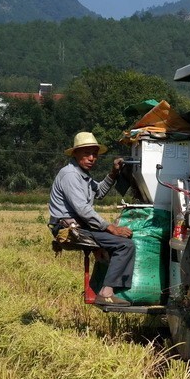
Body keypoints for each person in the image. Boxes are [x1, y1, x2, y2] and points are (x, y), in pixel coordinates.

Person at [49, 131, 135, 306]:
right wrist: (110, 227)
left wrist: (113, 172)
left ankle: (100, 285)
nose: (91, 158)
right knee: (125, 245)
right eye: (86, 153)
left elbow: (100, 191)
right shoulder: (70, 175)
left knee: (117, 242)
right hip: (70, 228)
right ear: (75, 153)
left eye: (94, 154)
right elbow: (83, 209)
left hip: (81, 225)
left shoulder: (83, 176)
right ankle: (106, 292)